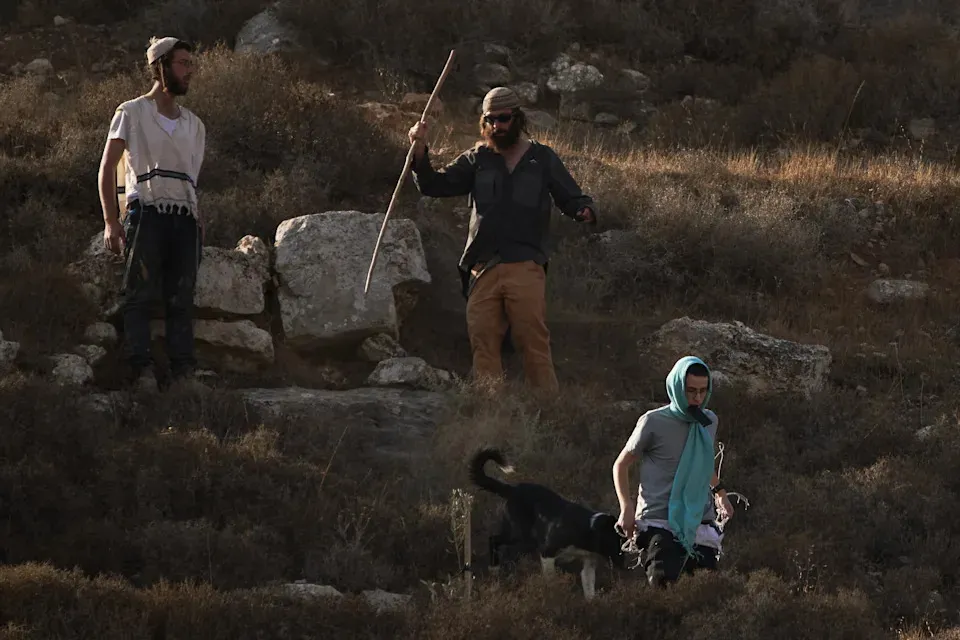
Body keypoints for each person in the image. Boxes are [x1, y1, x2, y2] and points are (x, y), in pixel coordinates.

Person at [408, 86, 596, 395]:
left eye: (504, 118)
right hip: (483, 266)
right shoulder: (477, 158)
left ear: (518, 118)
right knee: (482, 338)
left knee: (532, 338)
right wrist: (419, 148)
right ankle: (491, 413)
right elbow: (433, 184)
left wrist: (583, 210)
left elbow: (570, 195)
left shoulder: (541, 158)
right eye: (491, 119)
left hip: (525, 262)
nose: (497, 126)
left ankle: (548, 409)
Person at [97, 36, 206, 393]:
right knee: (139, 294)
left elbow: (193, 177)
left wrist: (196, 218)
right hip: (146, 213)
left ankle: (183, 375)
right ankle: (141, 370)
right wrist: (111, 221)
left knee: (181, 298)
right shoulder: (131, 112)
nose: (189, 71)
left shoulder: (195, 125)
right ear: (161, 67)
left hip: (185, 219)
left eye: (190, 64)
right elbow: (108, 168)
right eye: (182, 64)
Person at [611, 356, 735, 587]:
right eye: (690, 391)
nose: (697, 398)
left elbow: (702, 464)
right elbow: (621, 464)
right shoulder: (653, 422)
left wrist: (720, 494)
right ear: (676, 387)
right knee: (664, 584)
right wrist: (626, 508)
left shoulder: (708, 420)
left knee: (705, 591)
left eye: (702, 391)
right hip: (658, 519)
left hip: (699, 521)